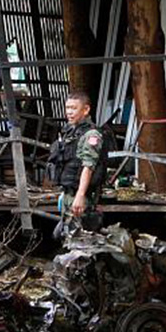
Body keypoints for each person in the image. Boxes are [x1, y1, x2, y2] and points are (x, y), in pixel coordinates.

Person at [47, 91, 109, 232]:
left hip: (82, 196)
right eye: (67, 108)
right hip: (69, 194)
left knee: (81, 240)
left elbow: (88, 166)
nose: (69, 112)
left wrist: (80, 195)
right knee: (67, 236)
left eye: (74, 108)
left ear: (86, 110)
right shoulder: (71, 133)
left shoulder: (91, 135)